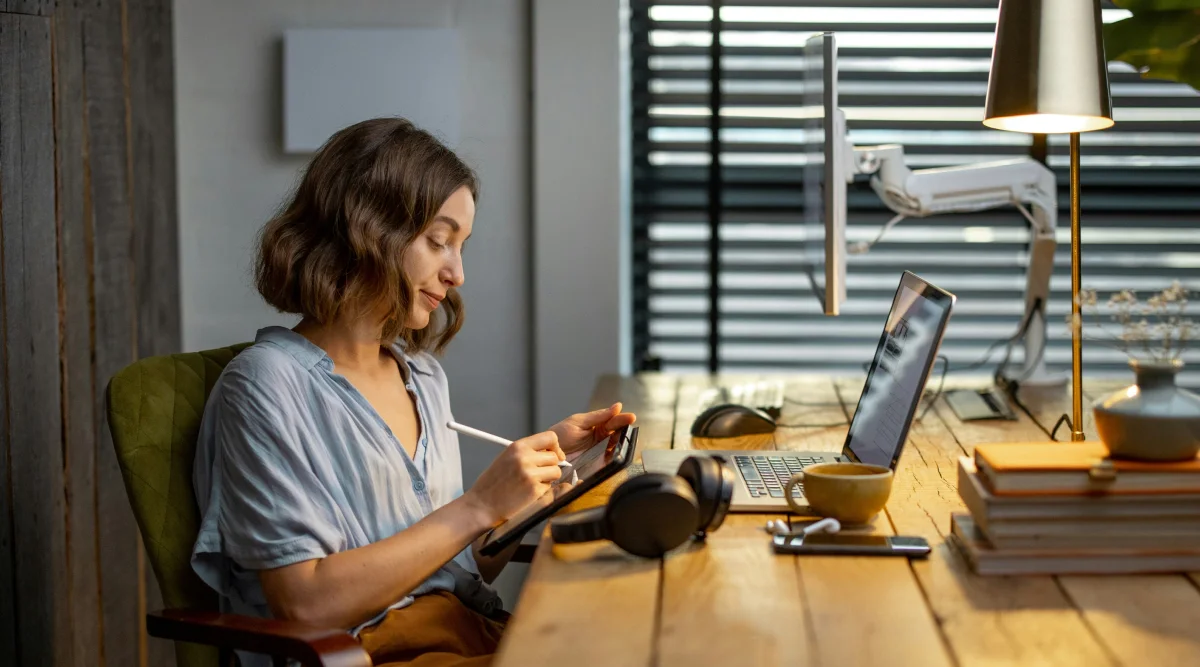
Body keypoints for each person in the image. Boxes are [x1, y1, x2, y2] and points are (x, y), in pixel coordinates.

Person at [190, 117, 636, 667]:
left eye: (461, 246)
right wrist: (477, 505)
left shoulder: (422, 378)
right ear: (367, 229)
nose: (457, 274)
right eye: (439, 241)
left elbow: (452, 573)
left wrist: (536, 492)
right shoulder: (264, 387)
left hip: (461, 634)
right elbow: (304, 606)